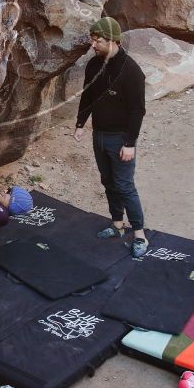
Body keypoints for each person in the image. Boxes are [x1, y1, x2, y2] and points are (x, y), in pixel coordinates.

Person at [72, 17, 148, 257]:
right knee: (108, 181)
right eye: (92, 39)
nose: (93, 44)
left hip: (121, 138)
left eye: (98, 40)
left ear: (113, 41)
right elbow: (88, 96)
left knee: (125, 186)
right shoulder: (93, 65)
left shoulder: (131, 71)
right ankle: (117, 224)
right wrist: (80, 123)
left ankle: (139, 235)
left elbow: (138, 110)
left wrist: (129, 143)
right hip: (100, 135)